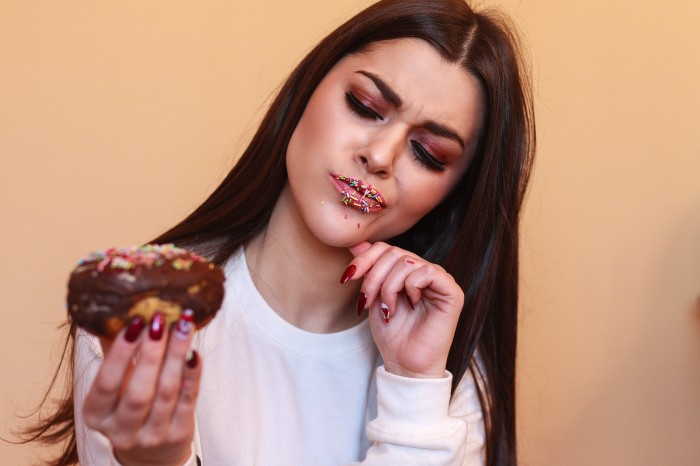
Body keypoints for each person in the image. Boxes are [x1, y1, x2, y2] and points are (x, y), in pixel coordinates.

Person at [21, 0, 535, 464]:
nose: (380, 156)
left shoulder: (447, 379)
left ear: (452, 196)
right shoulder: (141, 316)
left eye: (428, 154)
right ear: (306, 89)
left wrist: (412, 388)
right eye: (364, 106)